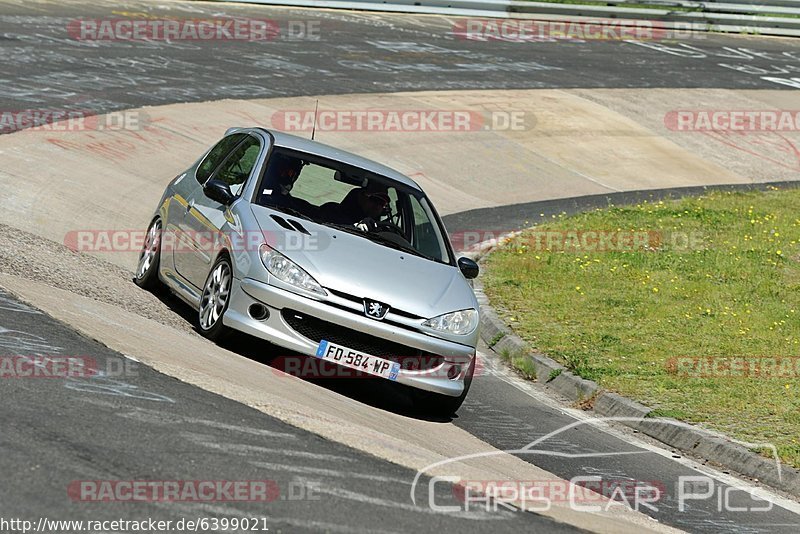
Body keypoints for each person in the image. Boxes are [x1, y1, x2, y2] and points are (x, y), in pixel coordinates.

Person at [320, 181, 391, 226]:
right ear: (361, 197)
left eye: (382, 203)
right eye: (374, 200)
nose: (377, 206)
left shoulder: (381, 232)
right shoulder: (332, 213)